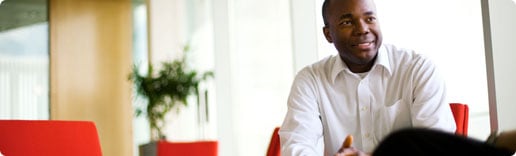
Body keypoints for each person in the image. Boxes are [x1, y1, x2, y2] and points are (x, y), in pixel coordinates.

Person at [279, 0, 456, 155]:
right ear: (328, 34)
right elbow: (297, 145)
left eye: (370, 19)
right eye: (347, 22)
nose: (363, 29)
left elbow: (436, 148)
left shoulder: (417, 69)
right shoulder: (310, 80)